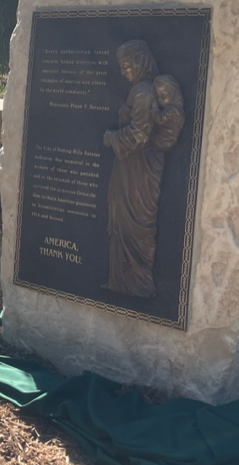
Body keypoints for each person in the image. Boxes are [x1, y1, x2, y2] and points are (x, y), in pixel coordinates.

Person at [102, 40, 163, 298]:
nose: (124, 72)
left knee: (135, 225)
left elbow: (139, 136)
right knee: (121, 222)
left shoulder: (144, 94)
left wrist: (111, 138)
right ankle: (120, 281)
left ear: (140, 63)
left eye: (127, 66)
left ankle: (138, 283)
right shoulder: (139, 90)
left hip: (139, 172)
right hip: (128, 168)